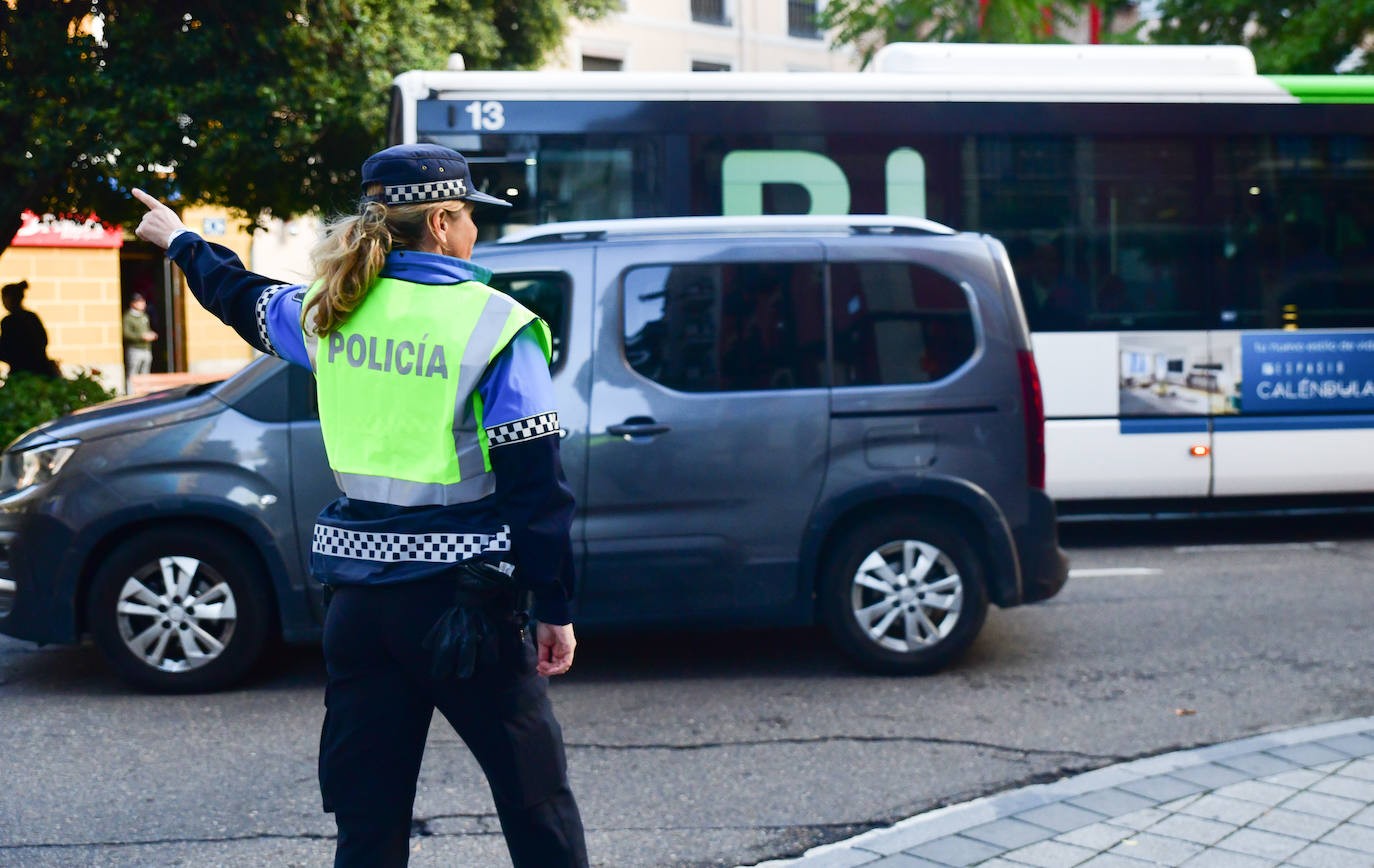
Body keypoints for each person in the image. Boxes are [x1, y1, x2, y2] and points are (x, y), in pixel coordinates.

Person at [131, 143, 587, 868]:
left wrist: (182, 241)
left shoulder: (328, 312)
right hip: (464, 610)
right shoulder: (494, 324)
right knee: (536, 805)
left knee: (367, 819)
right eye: (469, 216)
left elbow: (239, 295)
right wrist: (554, 606)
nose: (474, 232)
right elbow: (536, 489)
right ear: (441, 221)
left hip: (359, 610)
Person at [0, 280, 58, 378]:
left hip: (23, 374)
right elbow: (44, 340)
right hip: (43, 371)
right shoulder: (32, 316)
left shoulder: (9, 321)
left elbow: (7, 350)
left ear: (9, 299)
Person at [122, 292, 158, 393]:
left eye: (143, 302)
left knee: (145, 374)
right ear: (133, 304)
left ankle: (144, 394)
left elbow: (146, 329)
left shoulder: (144, 316)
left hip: (146, 349)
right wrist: (141, 337)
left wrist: (151, 334)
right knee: (133, 374)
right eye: (140, 302)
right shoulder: (128, 317)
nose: (143, 304)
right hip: (135, 349)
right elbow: (127, 334)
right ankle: (130, 394)